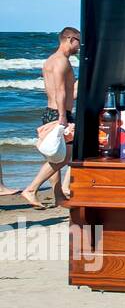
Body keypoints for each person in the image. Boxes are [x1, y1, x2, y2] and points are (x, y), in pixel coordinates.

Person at [21, 26, 80, 210]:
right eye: (78, 41)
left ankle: (58, 195)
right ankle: (31, 189)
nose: (79, 46)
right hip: (60, 113)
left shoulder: (50, 61)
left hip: (50, 111)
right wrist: (63, 116)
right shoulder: (62, 61)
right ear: (69, 39)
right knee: (64, 157)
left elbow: (56, 90)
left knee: (56, 153)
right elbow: (61, 92)